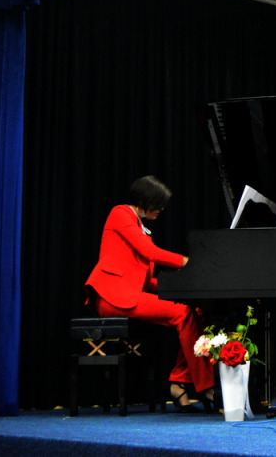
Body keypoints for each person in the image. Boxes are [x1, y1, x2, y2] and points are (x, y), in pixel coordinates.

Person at [84, 176, 215, 413]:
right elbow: (150, 252)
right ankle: (206, 387)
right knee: (183, 313)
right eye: (159, 204)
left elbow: (145, 281)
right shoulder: (120, 213)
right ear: (144, 201)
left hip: (130, 293)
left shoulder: (140, 228)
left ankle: (179, 383)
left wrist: (182, 287)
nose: (162, 209)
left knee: (197, 312)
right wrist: (187, 262)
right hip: (113, 296)